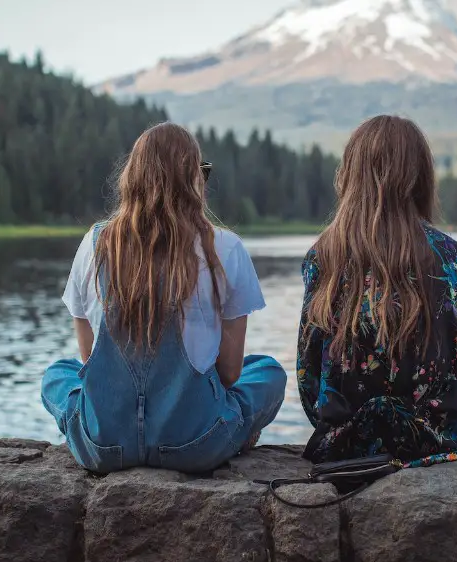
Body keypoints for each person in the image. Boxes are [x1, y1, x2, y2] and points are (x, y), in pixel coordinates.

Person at [42, 122, 286, 474]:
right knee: (267, 372)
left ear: (132, 178)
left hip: (106, 446)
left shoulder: (95, 243)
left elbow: (88, 361)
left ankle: (84, 430)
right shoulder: (225, 248)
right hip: (195, 445)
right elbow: (231, 374)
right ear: (193, 181)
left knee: (58, 374)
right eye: (203, 171)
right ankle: (236, 429)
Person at [296, 115, 457, 468]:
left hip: (349, 450)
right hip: (440, 446)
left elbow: (309, 380)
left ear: (350, 174)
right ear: (420, 178)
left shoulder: (323, 257)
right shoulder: (450, 256)